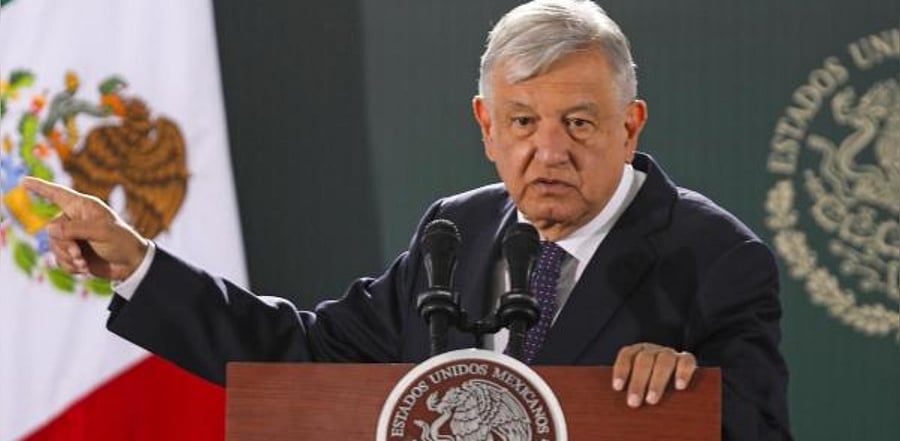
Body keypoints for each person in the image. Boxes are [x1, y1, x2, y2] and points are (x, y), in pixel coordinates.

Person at [24, 0, 791, 439]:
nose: (548, 151)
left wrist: (689, 395)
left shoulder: (713, 255)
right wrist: (138, 261)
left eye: (581, 123)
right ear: (486, 127)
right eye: (523, 122)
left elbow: (758, 431)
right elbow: (306, 356)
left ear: (632, 127)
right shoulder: (453, 234)